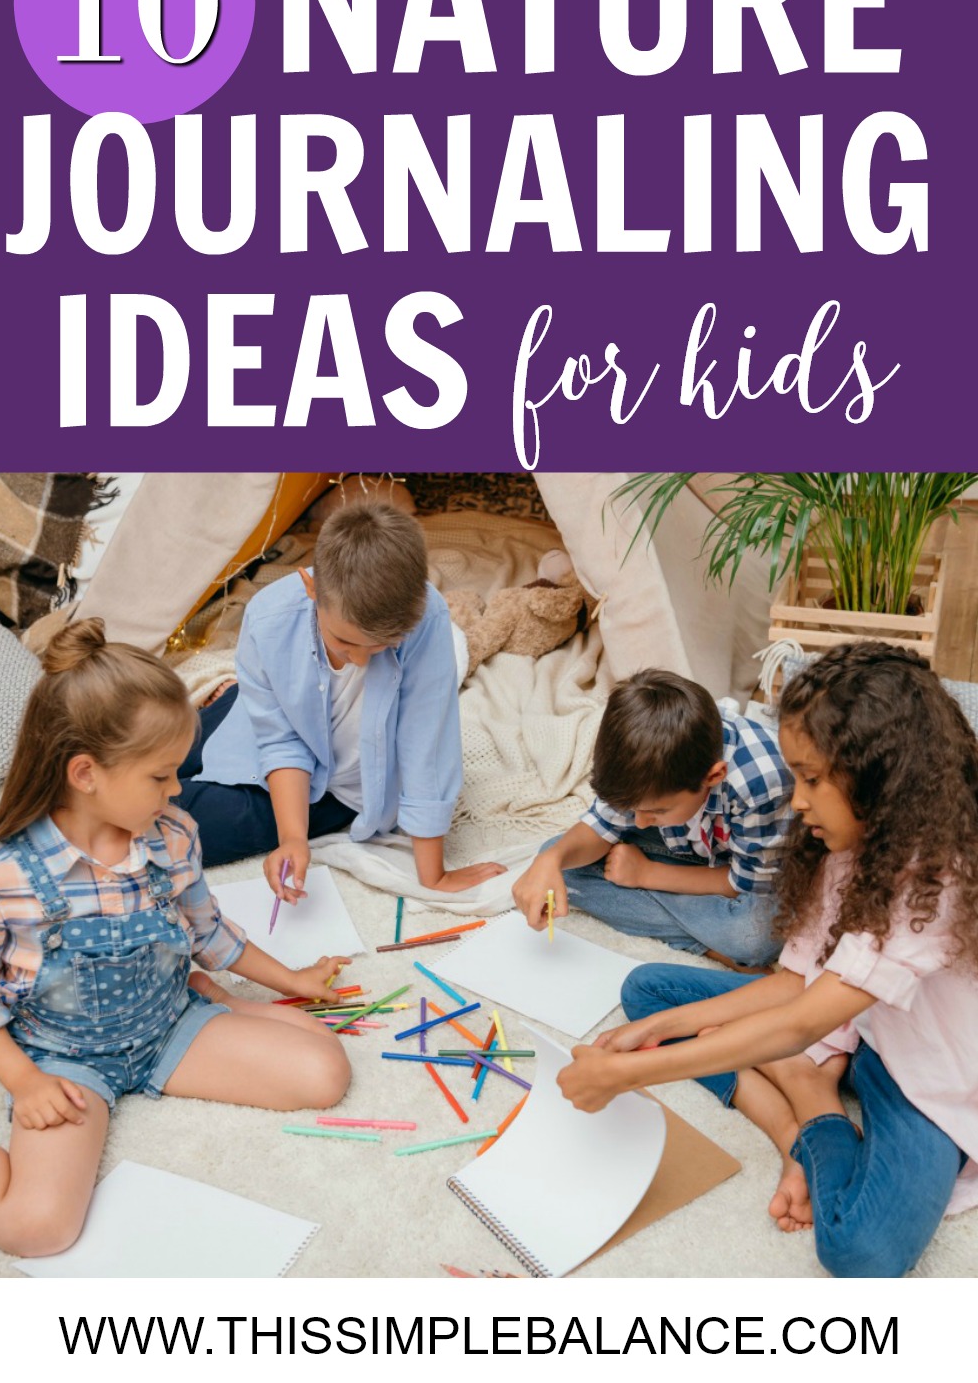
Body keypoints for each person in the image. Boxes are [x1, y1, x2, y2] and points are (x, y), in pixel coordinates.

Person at [557, 643, 978, 1278]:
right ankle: (792, 1117)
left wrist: (632, 1074)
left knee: (860, 1253)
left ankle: (812, 1100)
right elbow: (791, 983)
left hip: (932, 1078)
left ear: (878, 775)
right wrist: (657, 1031)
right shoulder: (845, 842)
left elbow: (800, 1022)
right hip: (854, 1027)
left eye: (810, 779)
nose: (797, 799)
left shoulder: (933, 880)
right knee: (648, 991)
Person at [0, 621, 351, 1259]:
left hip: (168, 1025)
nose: (178, 791)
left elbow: (207, 930)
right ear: (86, 773)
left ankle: (221, 1004)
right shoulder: (1, 873)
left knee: (326, 1070)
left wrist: (290, 982)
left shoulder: (172, 834)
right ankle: (219, 1008)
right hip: (67, 1061)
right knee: (32, 1230)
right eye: (161, 776)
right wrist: (24, 1084)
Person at [177, 500, 503, 901]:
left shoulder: (427, 619)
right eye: (346, 641)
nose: (363, 659)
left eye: (384, 645)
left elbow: (426, 746)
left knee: (166, 821)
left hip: (335, 784)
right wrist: (294, 837)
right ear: (311, 589)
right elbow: (279, 737)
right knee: (138, 755)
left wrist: (433, 875)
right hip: (258, 721)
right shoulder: (268, 616)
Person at [512, 670, 792, 969]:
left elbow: (744, 883)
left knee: (754, 936)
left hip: (755, 872)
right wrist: (551, 860)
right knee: (555, 863)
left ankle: (718, 944)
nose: (641, 822)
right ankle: (709, 939)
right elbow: (601, 825)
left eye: (656, 811)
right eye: (633, 810)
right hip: (690, 847)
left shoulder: (762, 785)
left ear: (713, 776)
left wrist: (647, 874)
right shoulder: (640, 752)